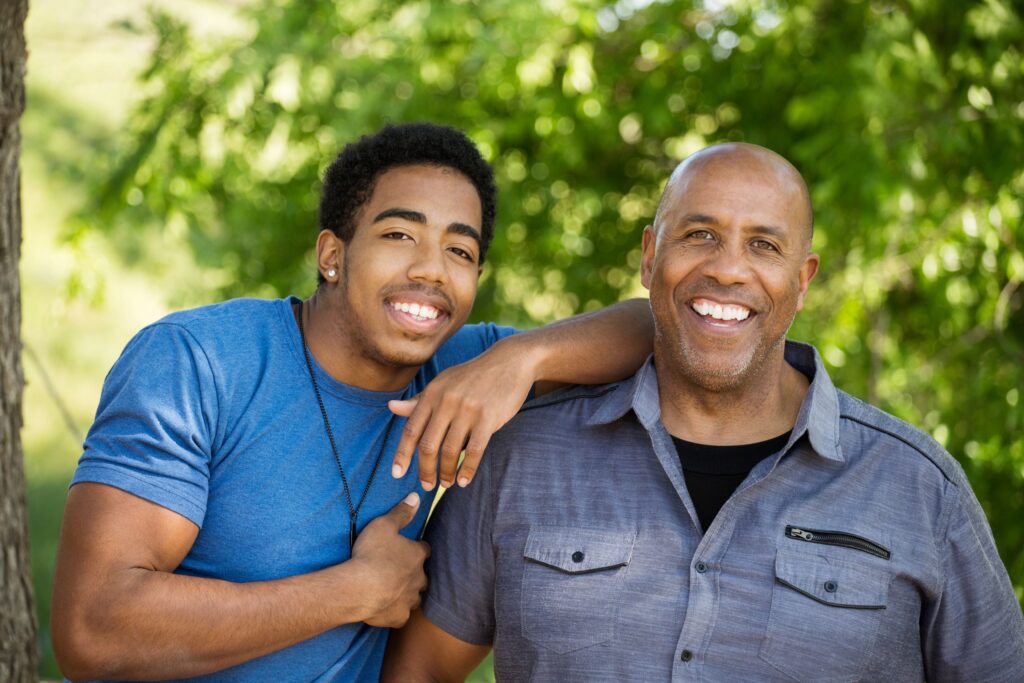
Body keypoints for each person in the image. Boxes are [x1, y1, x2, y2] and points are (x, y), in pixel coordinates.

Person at [384, 142, 1024, 681]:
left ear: (803, 280)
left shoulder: (918, 490)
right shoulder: (521, 457)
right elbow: (419, 673)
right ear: (648, 256)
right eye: (700, 235)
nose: (727, 269)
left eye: (764, 247)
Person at [50, 122, 657, 682]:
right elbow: (92, 629)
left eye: (460, 251)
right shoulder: (197, 362)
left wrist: (522, 360)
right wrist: (355, 590)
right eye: (399, 234)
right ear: (332, 255)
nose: (432, 270)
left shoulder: (461, 367)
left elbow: (654, 328)